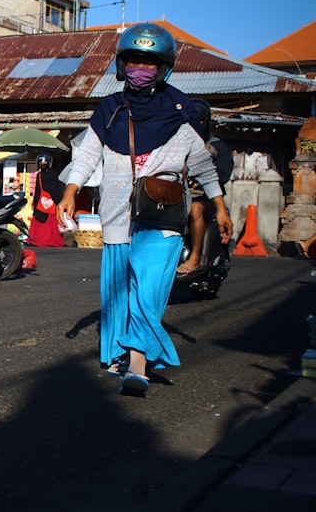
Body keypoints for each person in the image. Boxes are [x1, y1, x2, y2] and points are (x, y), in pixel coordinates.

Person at [56, 23, 232, 396]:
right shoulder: (109, 109)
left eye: (150, 63)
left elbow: (202, 164)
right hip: (118, 216)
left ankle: (138, 365)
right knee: (119, 292)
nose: (141, 68)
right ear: (121, 64)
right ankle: (122, 353)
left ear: (164, 67)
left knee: (147, 291)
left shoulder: (180, 110)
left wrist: (219, 206)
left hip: (162, 218)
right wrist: (70, 191)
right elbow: (87, 156)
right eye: (134, 60)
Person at [177, 99, 233, 274]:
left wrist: (200, 181)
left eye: (200, 121)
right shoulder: (177, 144)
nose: (196, 125)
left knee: (196, 208)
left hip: (205, 200)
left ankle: (195, 258)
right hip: (178, 197)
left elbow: (222, 174)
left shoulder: (217, 147)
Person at [28, 151, 65, 247]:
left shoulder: (39, 175)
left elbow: (37, 192)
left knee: (40, 227)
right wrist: (59, 202)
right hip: (51, 204)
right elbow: (55, 191)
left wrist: (35, 206)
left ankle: (37, 241)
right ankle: (51, 242)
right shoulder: (53, 174)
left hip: (40, 205)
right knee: (51, 227)